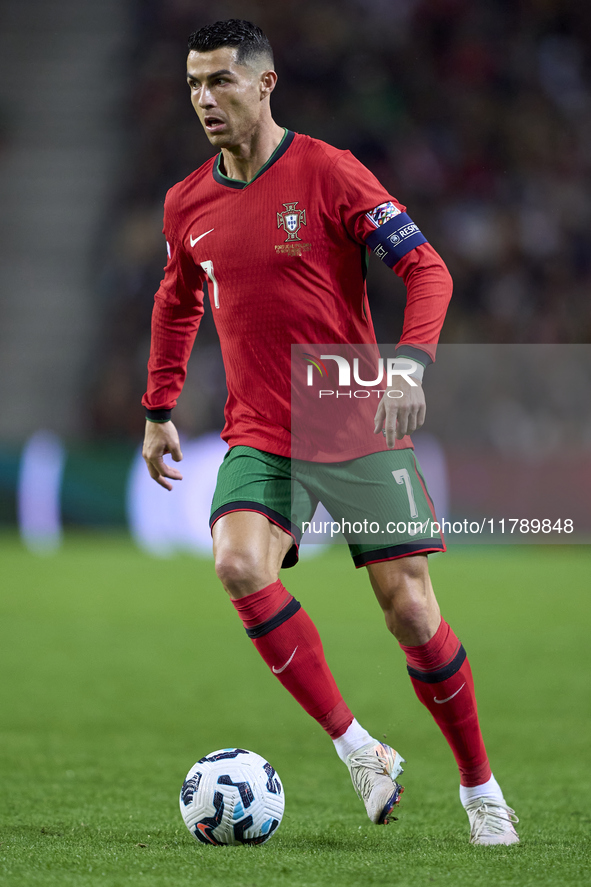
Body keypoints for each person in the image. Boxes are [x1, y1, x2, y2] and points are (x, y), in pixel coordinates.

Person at [142, 19, 519, 845]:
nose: (205, 98)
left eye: (221, 81)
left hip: (349, 419)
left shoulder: (328, 171)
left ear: (266, 82)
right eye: (194, 84)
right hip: (259, 429)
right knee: (238, 562)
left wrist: (409, 364)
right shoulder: (187, 203)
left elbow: (426, 267)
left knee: (411, 613)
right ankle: (359, 749)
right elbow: (177, 303)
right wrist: (159, 408)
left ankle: (479, 787)